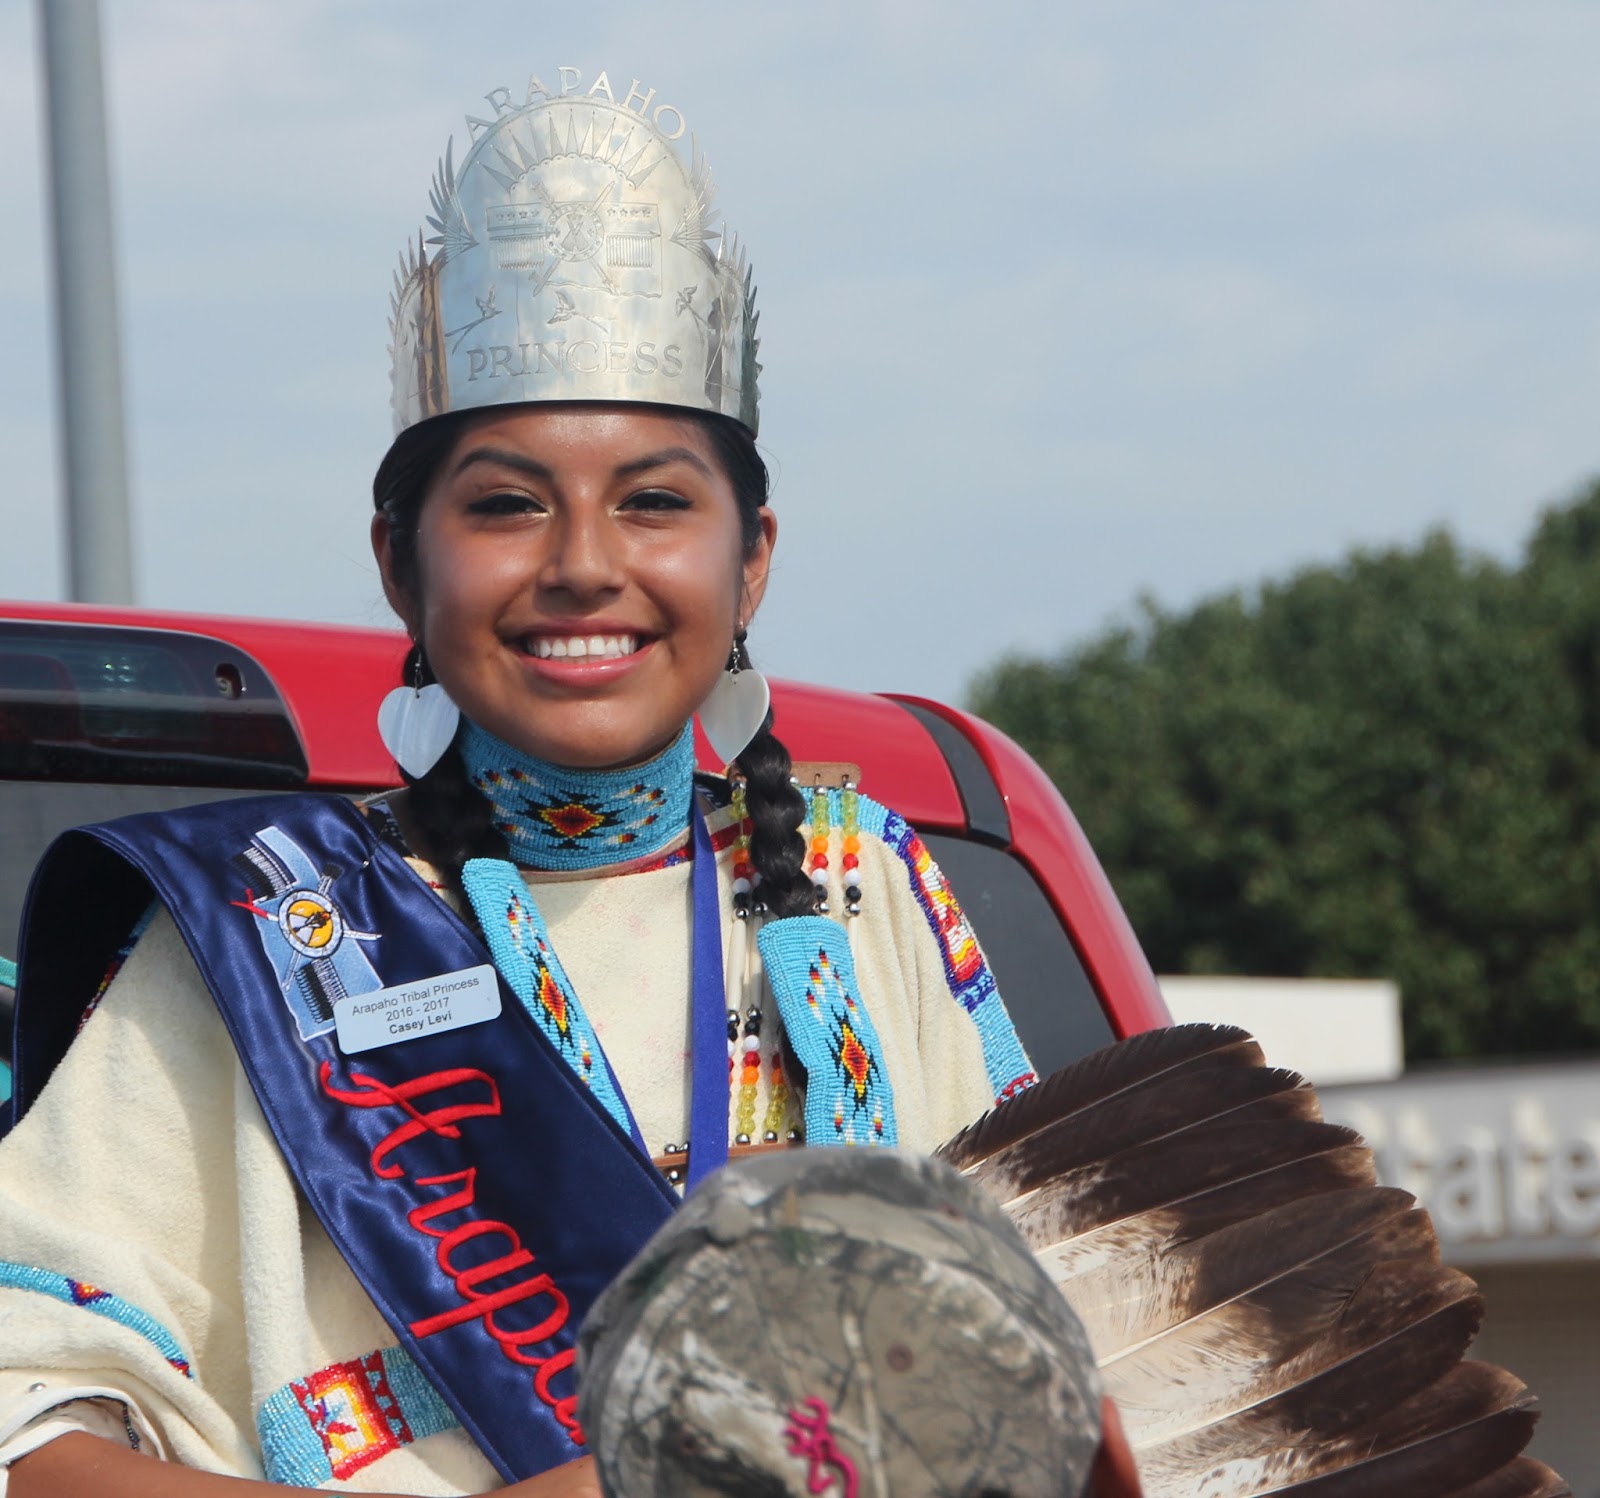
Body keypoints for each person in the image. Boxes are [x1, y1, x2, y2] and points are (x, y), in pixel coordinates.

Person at [0, 67, 1037, 1495]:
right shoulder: (261, 933)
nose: (584, 565)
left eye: (656, 500)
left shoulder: (869, 894)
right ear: (396, 563)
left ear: (754, 557)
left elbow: (1067, 1352)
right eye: (505, 502)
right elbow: (22, 1418)